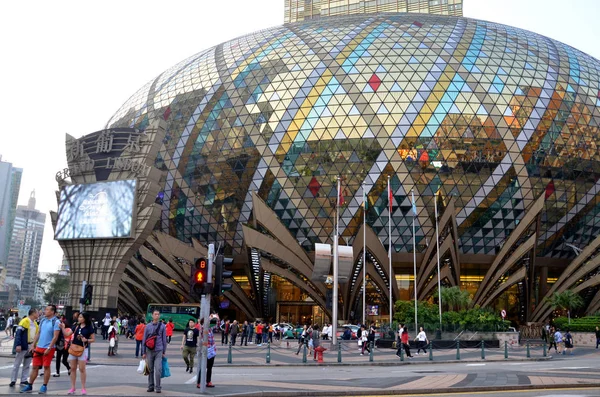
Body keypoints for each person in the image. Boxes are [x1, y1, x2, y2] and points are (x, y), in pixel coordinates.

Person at [20, 304, 61, 394]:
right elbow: (38, 333)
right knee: (35, 367)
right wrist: (33, 345)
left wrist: (49, 348)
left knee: (46, 367)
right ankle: (30, 385)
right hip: (39, 347)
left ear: (52, 312)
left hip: (49, 348)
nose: (45, 311)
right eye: (45, 309)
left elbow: (55, 337)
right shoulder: (42, 320)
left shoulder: (56, 322)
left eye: (47, 310)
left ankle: (44, 386)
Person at [61, 312, 95, 395]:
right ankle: (72, 387)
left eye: (80, 317)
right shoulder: (76, 326)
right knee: (73, 368)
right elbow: (67, 334)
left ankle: (83, 388)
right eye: (79, 317)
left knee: (82, 369)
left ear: (85, 319)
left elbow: (93, 339)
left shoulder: (89, 328)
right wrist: (62, 328)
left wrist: (86, 340)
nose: (79, 318)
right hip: (73, 348)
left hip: (83, 349)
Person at [10, 309, 38, 388]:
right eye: (37, 313)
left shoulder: (35, 323)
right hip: (23, 345)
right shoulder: (24, 321)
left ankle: (24, 379)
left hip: (30, 346)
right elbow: (18, 334)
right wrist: (18, 344)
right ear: (33, 313)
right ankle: (13, 380)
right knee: (17, 363)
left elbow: (36, 335)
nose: (38, 314)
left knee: (27, 364)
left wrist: (35, 345)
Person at [142, 309, 167, 393]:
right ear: (152, 315)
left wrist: (164, 351)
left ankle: (158, 387)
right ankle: (151, 386)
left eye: (158, 314)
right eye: (155, 314)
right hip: (149, 350)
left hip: (159, 350)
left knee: (158, 369)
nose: (157, 316)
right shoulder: (147, 326)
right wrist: (143, 352)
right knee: (150, 369)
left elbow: (164, 339)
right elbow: (144, 339)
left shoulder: (162, 326)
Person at [196, 318, 216, 388]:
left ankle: (208, 381)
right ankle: (199, 382)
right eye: (207, 321)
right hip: (205, 350)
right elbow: (200, 337)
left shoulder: (210, 329)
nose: (209, 322)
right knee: (203, 366)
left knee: (210, 367)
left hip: (211, 350)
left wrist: (214, 348)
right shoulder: (202, 329)